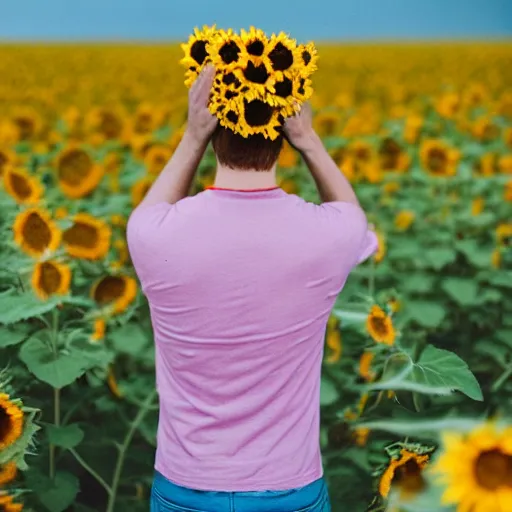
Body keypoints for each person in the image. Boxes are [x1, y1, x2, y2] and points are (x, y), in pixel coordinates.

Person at [126, 64, 378, 512]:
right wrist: (309, 139)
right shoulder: (326, 235)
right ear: (283, 127)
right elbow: (352, 216)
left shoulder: (152, 236)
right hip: (288, 487)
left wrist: (191, 136)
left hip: (186, 487)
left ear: (212, 124)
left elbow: (152, 210)